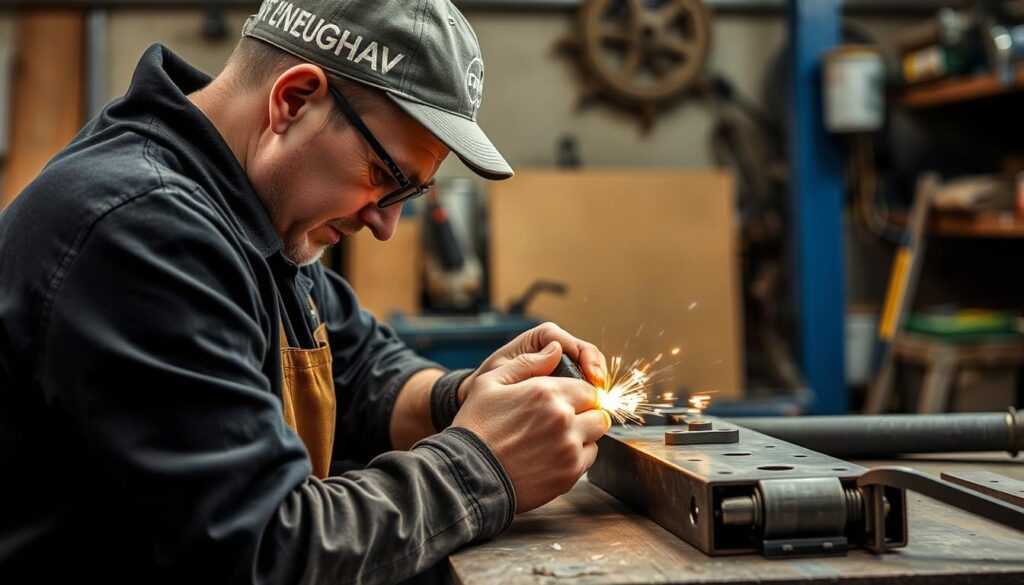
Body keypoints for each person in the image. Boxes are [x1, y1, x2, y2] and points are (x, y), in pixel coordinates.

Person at [0, 0, 611, 582]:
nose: (385, 224)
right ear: (295, 100)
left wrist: (467, 396)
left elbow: (360, 370)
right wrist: (484, 464)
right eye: (385, 178)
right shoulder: (142, 231)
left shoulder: (253, 210)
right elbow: (266, 550)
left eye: (410, 195)